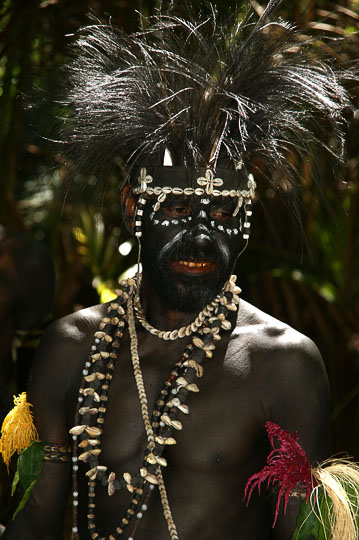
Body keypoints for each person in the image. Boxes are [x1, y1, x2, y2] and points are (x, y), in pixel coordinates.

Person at [1, 3, 357, 539]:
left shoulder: (282, 363)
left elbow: (301, 532)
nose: (200, 235)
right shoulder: (71, 346)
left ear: (246, 223)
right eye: (175, 210)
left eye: (221, 214)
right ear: (131, 208)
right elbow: (38, 518)